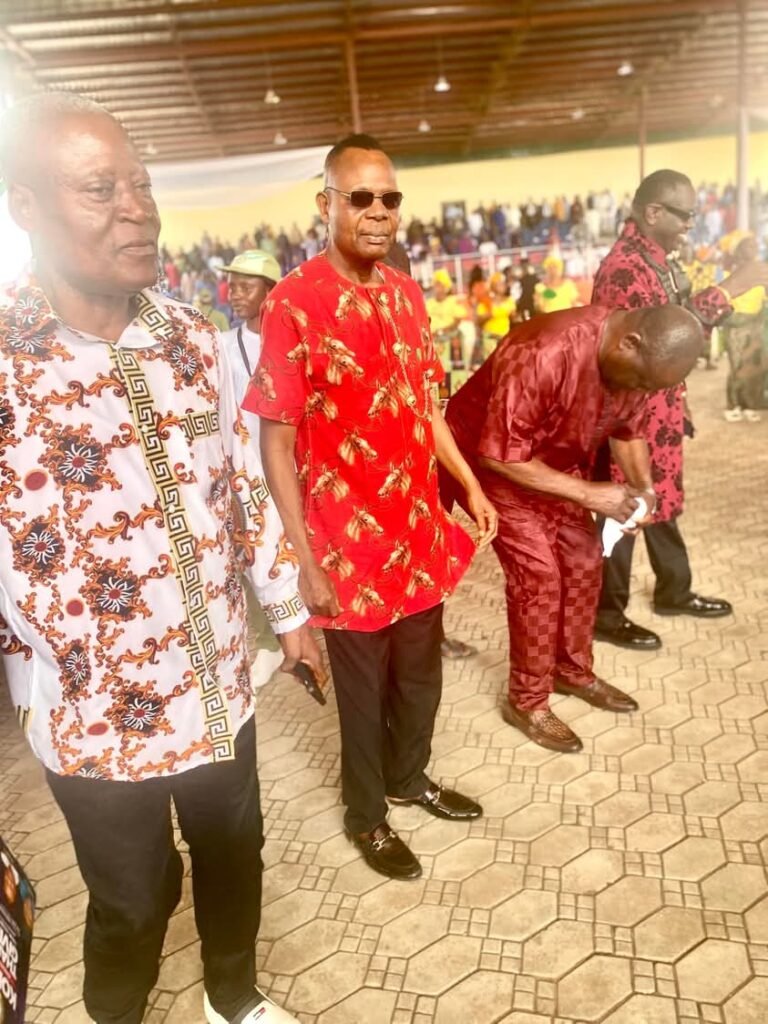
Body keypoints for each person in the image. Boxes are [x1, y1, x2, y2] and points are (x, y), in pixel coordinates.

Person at [0, 93, 322, 1024]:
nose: (137, 210)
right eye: (100, 190)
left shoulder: (195, 340)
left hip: (217, 679)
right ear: (26, 207)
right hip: (90, 710)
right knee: (134, 899)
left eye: (141, 186)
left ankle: (235, 997)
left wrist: (288, 615)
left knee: (235, 853)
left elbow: (244, 485)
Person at [246, 133, 498, 881]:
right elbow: (274, 443)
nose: (379, 212)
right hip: (346, 544)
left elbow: (426, 408)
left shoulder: (406, 292)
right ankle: (367, 815)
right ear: (326, 205)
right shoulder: (293, 302)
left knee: (419, 677)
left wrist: (468, 483)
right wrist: (304, 559)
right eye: (360, 198)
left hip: (416, 529)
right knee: (362, 696)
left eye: (390, 198)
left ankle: (409, 778)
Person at [445, 305, 704, 751]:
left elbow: (628, 432)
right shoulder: (544, 351)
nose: (641, 392)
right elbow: (501, 454)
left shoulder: (637, 365)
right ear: (629, 343)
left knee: (584, 559)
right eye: (642, 382)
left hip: (554, 464)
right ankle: (527, 701)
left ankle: (572, 672)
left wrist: (644, 491)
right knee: (539, 577)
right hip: (493, 464)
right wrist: (589, 494)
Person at [591, 169, 768, 651]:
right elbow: (665, 337)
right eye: (685, 214)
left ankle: (674, 590)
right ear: (653, 212)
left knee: (662, 499)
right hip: (632, 414)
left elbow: (680, 330)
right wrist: (731, 287)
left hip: (661, 407)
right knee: (627, 507)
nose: (692, 223)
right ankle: (606, 613)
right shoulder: (625, 268)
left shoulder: (657, 260)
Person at [219, 250, 287, 686]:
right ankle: (268, 641)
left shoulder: (295, 340)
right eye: (233, 285)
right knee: (255, 551)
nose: (235, 294)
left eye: (246, 286)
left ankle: (310, 625)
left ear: (270, 292)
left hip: (296, 464)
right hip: (250, 469)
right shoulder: (224, 346)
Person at [718, 232, 765, 421]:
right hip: (735, 325)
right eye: (750, 246)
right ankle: (734, 405)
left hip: (756, 323)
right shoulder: (729, 274)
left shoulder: (761, 272)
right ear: (739, 250)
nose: (755, 249)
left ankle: (749, 405)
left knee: (752, 365)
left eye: (755, 246)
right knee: (737, 365)